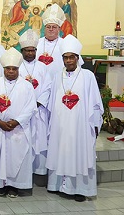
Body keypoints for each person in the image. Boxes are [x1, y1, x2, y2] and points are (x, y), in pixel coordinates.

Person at [46, 35, 103, 202]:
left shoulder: (87, 76)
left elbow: (95, 103)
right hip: (60, 124)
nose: (69, 60)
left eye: (72, 57)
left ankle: (80, 189)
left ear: (78, 58)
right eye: (66, 57)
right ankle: (59, 186)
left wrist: (95, 124)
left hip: (81, 124)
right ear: (62, 59)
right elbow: (52, 102)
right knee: (61, 150)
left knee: (79, 153)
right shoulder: (57, 76)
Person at [0, 47, 37, 198]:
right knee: (0, 157)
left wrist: (16, 121)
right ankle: (0, 185)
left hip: (18, 130)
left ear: (18, 69)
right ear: (3, 69)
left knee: (17, 157)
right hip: (0, 129)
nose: (11, 71)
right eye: (8, 68)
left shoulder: (27, 86)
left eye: (14, 69)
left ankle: (14, 186)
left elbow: (31, 107)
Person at [18, 29, 51, 180]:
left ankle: (39, 171)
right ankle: (23, 170)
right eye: (27, 50)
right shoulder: (16, 66)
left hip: (38, 111)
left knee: (39, 140)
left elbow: (47, 87)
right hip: (21, 112)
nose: (30, 53)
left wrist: (38, 103)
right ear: (22, 50)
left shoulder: (43, 67)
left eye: (33, 50)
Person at [36, 3, 68, 77]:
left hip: (59, 80)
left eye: (54, 27)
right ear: (44, 28)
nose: (51, 29)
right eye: (48, 27)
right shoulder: (37, 43)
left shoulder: (65, 44)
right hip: (40, 79)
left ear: (59, 29)